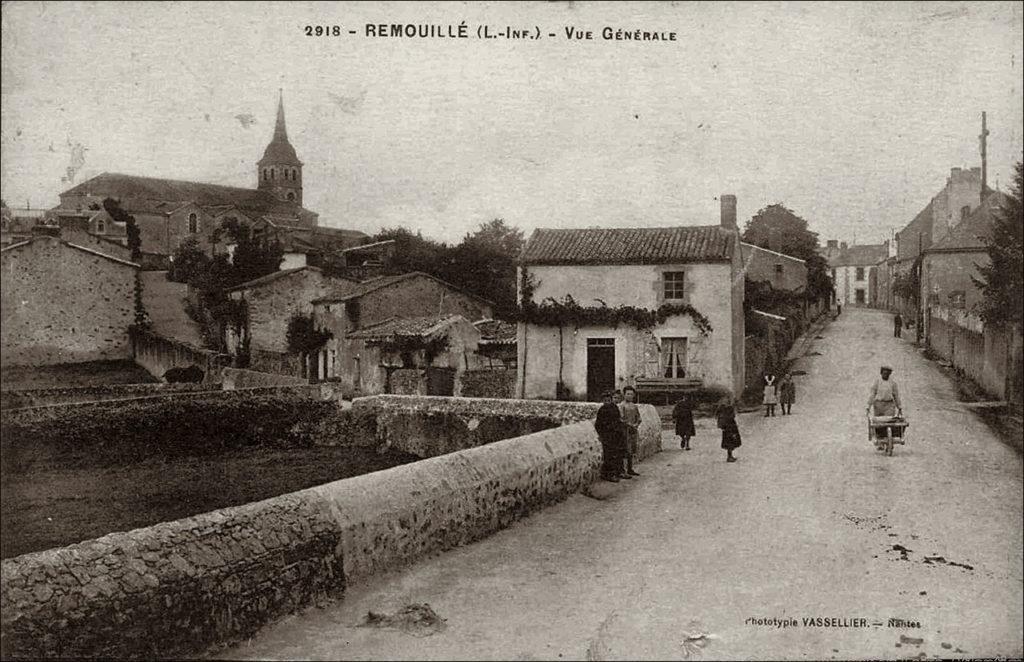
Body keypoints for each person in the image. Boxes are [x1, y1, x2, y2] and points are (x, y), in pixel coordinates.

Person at [867, 364, 903, 440]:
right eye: (884, 373)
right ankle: (879, 441)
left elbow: (896, 396)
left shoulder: (893, 383)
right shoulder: (877, 382)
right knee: (879, 423)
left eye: (887, 374)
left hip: (889, 405)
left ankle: (889, 440)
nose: (885, 375)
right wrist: (868, 406)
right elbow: (872, 394)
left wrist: (899, 407)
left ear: (890, 374)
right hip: (878, 404)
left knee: (889, 422)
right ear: (881, 373)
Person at [594, 391, 623, 482]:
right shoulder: (602, 410)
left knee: (617, 453)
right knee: (608, 455)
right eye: (605, 400)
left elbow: (618, 420)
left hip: (615, 434)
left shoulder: (615, 408)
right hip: (607, 435)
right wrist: (601, 434)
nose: (607, 402)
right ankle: (608, 474)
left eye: (609, 400)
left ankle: (618, 472)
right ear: (602, 401)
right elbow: (598, 424)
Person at [619, 386, 641, 477]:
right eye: (628, 394)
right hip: (625, 431)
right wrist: (629, 425)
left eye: (631, 394)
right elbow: (621, 418)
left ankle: (630, 468)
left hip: (633, 431)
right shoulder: (621, 406)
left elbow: (639, 418)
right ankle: (623, 470)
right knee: (625, 450)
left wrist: (636, 424)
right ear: (624, 395)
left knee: (632, 449)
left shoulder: (634, 406)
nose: (629, 396)